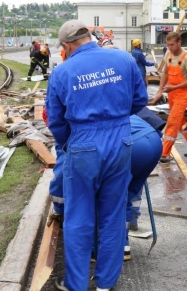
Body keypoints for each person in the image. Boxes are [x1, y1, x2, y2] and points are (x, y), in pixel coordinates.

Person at [46, 20, 148, 291]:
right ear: (90, 36)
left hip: (82, 143)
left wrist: (71, 142)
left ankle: (76, 284)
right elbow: (140, 100)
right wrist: (115, 117)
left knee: (79, 216)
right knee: (113, 214)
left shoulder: (62, 72)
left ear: (67, 46)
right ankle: (105, 283)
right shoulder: (123, 58)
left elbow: (55, 121)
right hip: (120, 140)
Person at [46, 108, 164, 262]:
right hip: (152, 141)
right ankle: (122, 245)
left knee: (95, 196)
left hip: (127, 145)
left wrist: (58, 208)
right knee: (127, 194)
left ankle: (96, 250)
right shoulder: (98, 106)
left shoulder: (67, 130)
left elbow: (62, 174)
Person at [151, 32, 187, 162]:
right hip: (172, 93)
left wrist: (174, 87)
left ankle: (165, 154)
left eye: (172, 45)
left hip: (183, 94)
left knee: (172, 122)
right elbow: (165, 73)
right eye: (167, 45)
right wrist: (159, 92)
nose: (169, 47)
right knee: (180, 121)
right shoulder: (168, 54)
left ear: (179, 42)